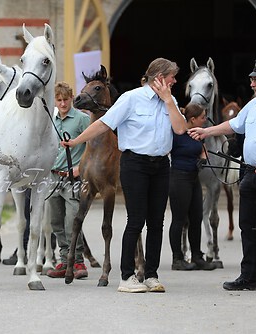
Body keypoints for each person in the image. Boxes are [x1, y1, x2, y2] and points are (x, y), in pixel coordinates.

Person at [62, 58, 187, 293]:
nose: (175, 81)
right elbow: (104, 124)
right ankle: (127, 277)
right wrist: (76, 141)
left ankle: (151, 274)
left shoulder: (170, 101)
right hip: (135, 164)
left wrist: (169, 101)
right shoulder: (131, 99)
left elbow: (180, 129)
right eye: (172, 77)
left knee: (157, 223)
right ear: (160, 77)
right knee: (136, 221)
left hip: (161, 166)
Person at [189, 59, 256, 292]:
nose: (252, 84)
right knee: (247, 227)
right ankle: (249, 276)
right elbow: (233, 125)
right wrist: (206, 131)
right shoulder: (253, 106)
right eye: (251, 80)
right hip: (250, 173)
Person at [46, 81, 90, 279]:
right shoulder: (52, 119)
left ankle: (78, 261)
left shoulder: (82, 119)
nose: (63, 104)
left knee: (72, 220)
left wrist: (81, 168)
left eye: (66, 99)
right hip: (53, 177)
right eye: (59, 100)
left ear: (72, 98)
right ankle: (64, 260)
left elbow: (93, 145)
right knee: (55, 221)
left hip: (74, 178)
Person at [168, 103, 216, 271]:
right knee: (179, 219)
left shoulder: (198, 133)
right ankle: (177, 258)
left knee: (196, 217)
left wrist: (203, 157)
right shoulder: (178, 133)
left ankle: (197, 255)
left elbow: (202, 150)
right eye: (202, 117)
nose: (205, 120)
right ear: (192, 119)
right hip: (179, 178)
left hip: (193, 178)